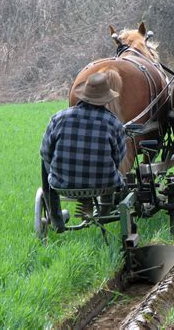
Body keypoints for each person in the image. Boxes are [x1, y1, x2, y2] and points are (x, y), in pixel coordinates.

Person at [40, 73, 126, 232]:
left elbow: (46, 153)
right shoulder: (114, 123)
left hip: (62, 185)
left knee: (44, 161)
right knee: (111, 167)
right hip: (105, 185)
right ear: (106, 99)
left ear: (83, 96)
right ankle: (104, 213)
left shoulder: (59, 118)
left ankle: (57, 220)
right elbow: (118, 158)